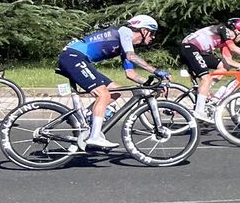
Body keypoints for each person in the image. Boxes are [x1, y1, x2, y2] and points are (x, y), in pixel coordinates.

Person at [56, 14, 165, 149]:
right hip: (73, 57)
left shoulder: (125, 45)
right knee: (103, 94)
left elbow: (130, 74)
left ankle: (88, 116)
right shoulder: (125, 31)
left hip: (78, 58)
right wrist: (155, 71)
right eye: (152, 33)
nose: (153, 37)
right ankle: (95, 137)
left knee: (117, 91)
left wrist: (150, 84)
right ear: (143, 30)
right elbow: (132, 56)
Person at [179, 19, 240, 122]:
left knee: (224, 66)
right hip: (190, 48)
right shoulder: (223, 29)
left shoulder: (224, 39)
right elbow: (233, 48)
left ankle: (206, 91)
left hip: (198, 51)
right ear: (237, 31)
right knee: (206, 79)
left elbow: (228, 60)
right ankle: (199, 112)